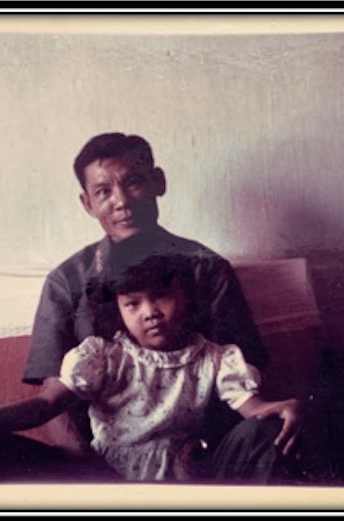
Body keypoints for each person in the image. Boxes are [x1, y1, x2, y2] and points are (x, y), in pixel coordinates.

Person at [0, 254, 300, 483]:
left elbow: (250, 408)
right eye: (133, 304)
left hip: (187, 479)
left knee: (265, 432)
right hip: (103, 480)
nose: (150, 312)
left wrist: (275, 409)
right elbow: (46, 404)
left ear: (186, 298)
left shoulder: (216, 358)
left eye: (161, 296)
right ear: (120, 312)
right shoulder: (105, 357)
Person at [22, 132, 276, 450]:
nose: (122, 202)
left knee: (268, 431)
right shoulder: (67, 281)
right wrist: (90, 474)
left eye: (133, 182)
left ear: (159, 182)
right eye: (103, 191)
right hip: (102, 457)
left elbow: (239, 378)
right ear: (87, 203)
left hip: (198, 452)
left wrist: (193, 457)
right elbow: (55, 397)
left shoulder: (206, 268)